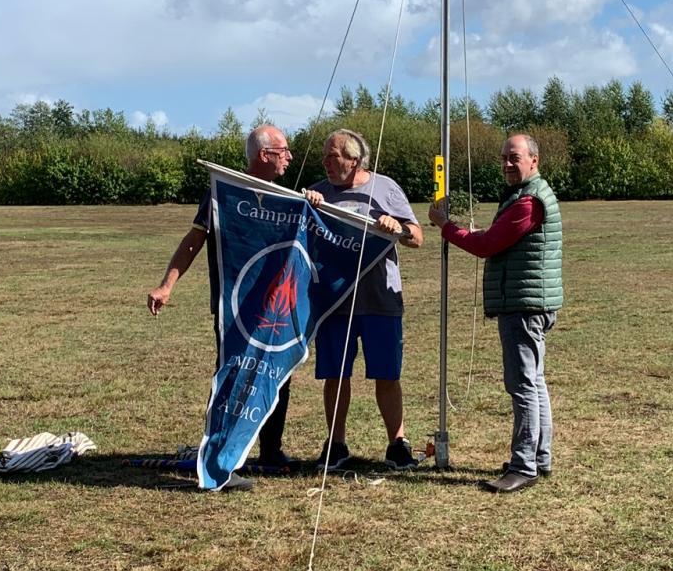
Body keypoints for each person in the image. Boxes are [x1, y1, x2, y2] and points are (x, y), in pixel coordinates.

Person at [146, 124, 295, 491]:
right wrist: (167, 285)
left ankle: (270, 449)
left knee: (277, 375)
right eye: (284, 151)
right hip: (234, 308)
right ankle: (221, 455)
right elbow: (194, 241)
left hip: (274, 310)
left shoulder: (287, 196)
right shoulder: (222, 193)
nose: (290, 157)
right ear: (264, 155)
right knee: (233, 376)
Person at [429, 133, 563, 493]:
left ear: (533, 160)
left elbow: (488, 244)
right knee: (534, 381)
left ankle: (525, 465)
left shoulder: (529, 201)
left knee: (523, 384)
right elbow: (495, 237)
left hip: (524, 305)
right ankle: (539, 457)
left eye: (514, 157)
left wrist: (446, 227)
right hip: (527, 301)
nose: (506, 164)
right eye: (503, 157)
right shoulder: (524, 196)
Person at [304, 130, 423, 470]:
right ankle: (336, 445)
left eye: (333, 157)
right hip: (334, 300)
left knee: (387, 373)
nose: (326, 163)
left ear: (353, 161)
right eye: (325, 157)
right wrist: (307, 205)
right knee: (336, 374)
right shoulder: (319, 193)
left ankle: (397, 444)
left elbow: (417, 237)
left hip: (379, 300)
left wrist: (396, 226)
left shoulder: (385, 188)